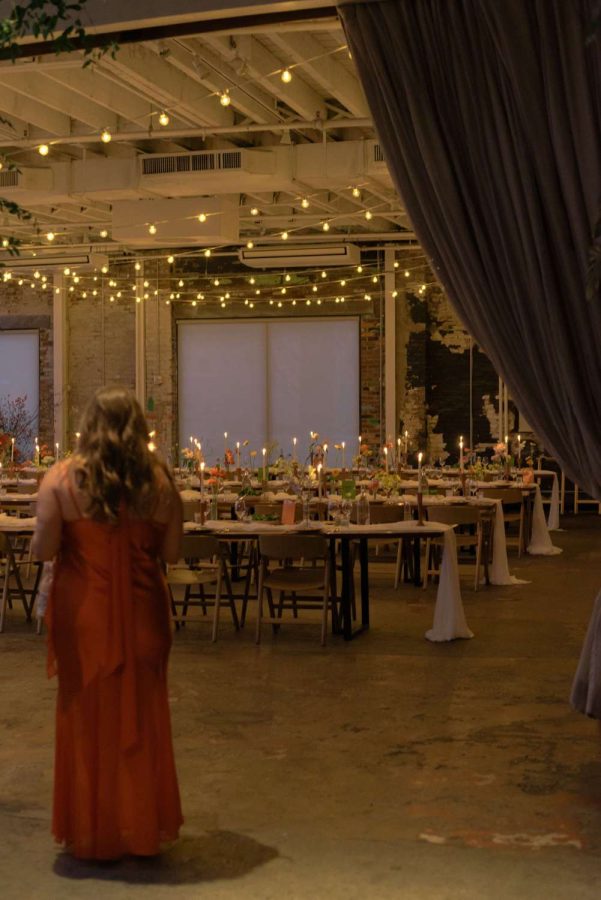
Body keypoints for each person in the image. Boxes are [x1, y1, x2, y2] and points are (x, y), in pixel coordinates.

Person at [32, 387, 183, 860]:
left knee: (85, 716)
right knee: (142, 715)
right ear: (140, 428)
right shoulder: (161, 484)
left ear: (88, 426)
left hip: (85, 617)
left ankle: (94, 829)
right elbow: (173, 555)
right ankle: (140, 828)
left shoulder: (59, 480)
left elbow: (43, 550)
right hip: (144, 614)